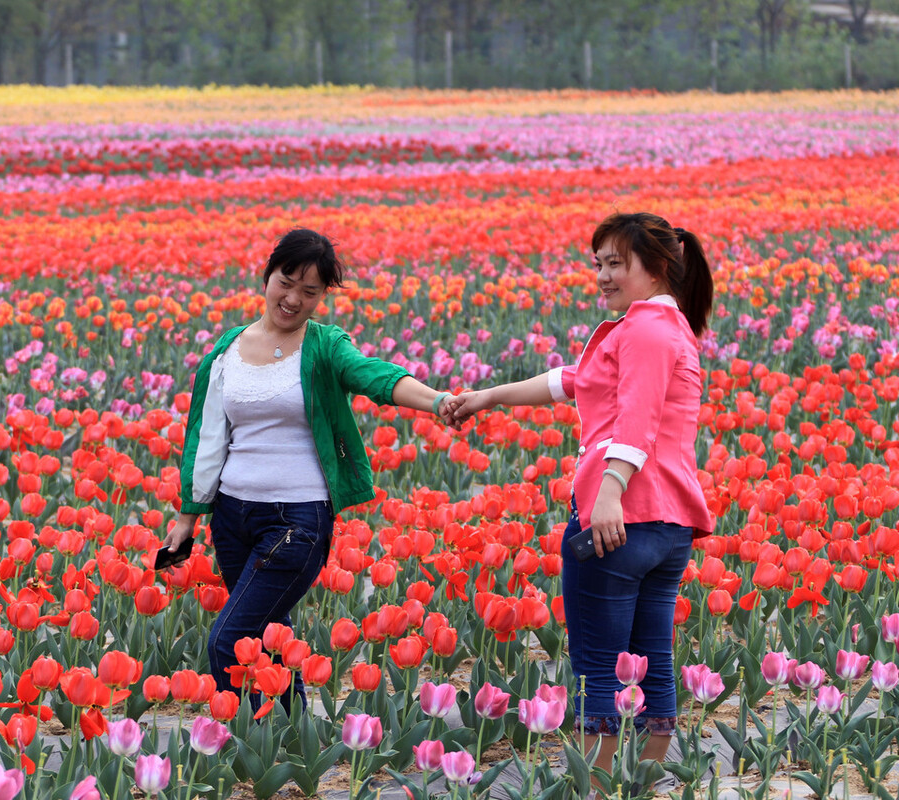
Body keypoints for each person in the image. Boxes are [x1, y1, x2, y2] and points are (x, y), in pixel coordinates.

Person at [446, 212, 714, 784]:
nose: (603, 276)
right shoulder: (670, 330)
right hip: (668, 527)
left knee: (601, 670)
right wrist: (487, 396)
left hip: (619, 522)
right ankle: (639, 785)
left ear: (658, 266)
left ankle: (597, 788)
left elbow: (637, 422)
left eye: (616, 263)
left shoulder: (642, 331)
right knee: (649, 663)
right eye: (599, 264)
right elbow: (572, 381)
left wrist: (610, 492)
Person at [162, 228, 459, 715]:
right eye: (287, 282)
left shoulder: (323, 346)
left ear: (323, 297)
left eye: (311, 291)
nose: (294, 299)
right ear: (268, 275)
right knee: (269, 642)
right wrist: (187, 518)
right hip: (233, 517)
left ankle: (246, 737)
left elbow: (374, 376)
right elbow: (207, 437)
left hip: (295, 521)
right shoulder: (228, 348)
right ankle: (295, 741)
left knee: (228, 642)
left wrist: (438, 401)